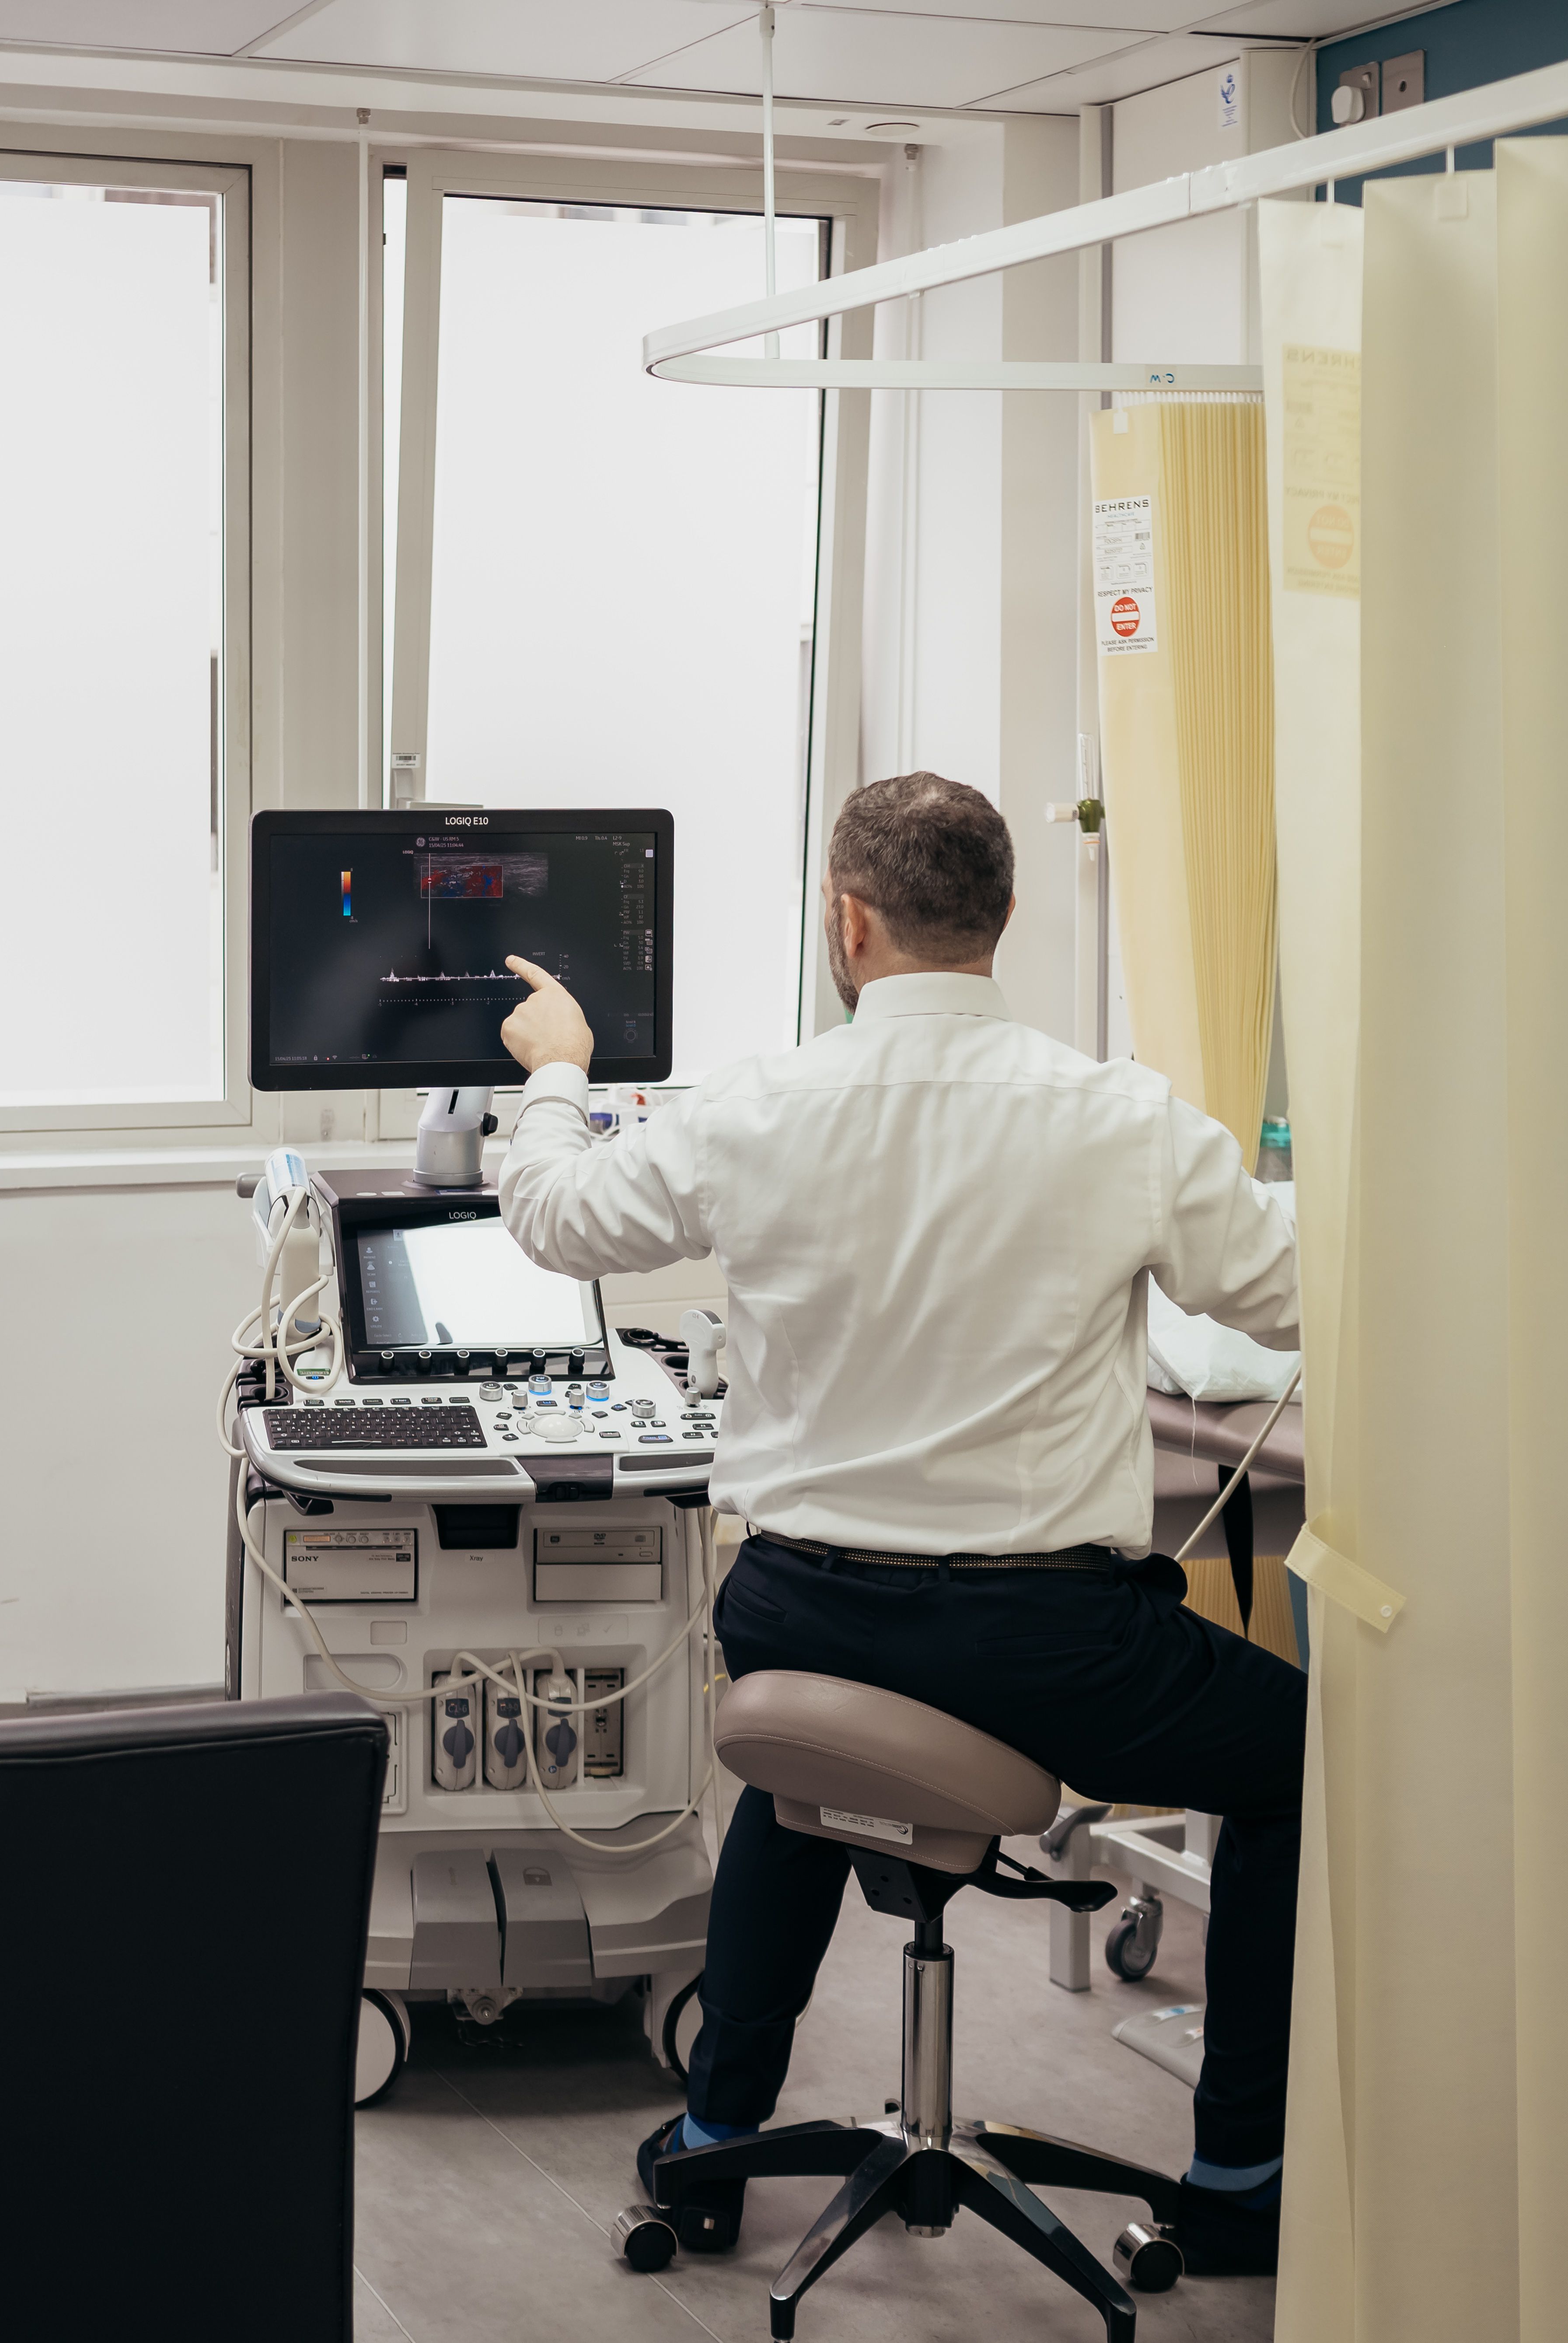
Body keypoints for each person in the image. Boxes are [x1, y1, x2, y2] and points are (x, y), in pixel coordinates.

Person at [492, 772, 1305, 2276]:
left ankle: (719, 2148)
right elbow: (1291, 1295)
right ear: (1000, 922)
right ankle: (1241, 2179)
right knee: (1302, 1764)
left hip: (802, 1615)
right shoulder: (1117, 1116)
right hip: (1045, 1650)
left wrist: (555, 1071)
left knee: (794, 1774)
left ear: (847, 921)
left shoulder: (757, 1106)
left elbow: (555, 1219)